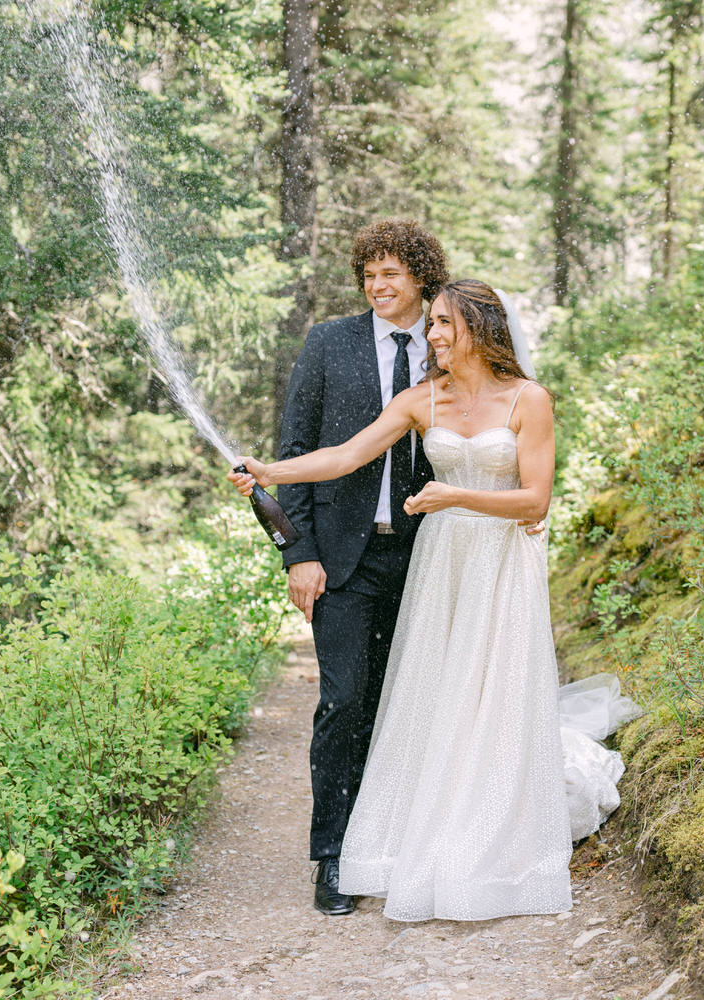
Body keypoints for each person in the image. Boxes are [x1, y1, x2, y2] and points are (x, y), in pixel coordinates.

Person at [231, 279, 572, 921]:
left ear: (480, 329)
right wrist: (273, 472)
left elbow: (535, 501)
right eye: (433, 325)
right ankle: (421, 828)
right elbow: (344, 456)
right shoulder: (423, 401)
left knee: (492, 690)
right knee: (437, 693)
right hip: (443, 564)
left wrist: (455, 497)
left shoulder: (530, 400)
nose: (433, 336)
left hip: (500, 563)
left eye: (444, 325)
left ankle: (494, 830)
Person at [273, 219, 445, 915]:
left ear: (420, 279)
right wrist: (299, 552)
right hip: (342, 559)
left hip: (426, 558)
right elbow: (296, 449)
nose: (377, 286)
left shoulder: (447, 346)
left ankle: (394, 839)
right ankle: (333, 855)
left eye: (391, 274)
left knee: (401, 703)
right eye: (369, 275)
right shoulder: (327, 344)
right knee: (343, 703)